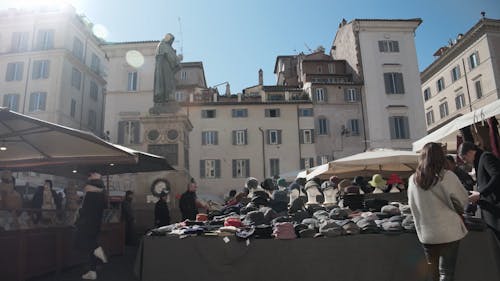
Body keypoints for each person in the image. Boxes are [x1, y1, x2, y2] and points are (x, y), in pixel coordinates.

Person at [408, 142, 468, 281]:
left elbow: (412, 206)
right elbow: (463, 200)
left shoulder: (413, 180)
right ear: (441, 157)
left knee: (432, 274)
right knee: (446, 273)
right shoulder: (447, 176)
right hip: (449, 231)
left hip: (427, 232)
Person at [458, 142, 500, 240]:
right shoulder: (480, 159)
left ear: (470, 153)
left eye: (464, 158)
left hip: (495, 208)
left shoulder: (485, 157)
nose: (465, 162)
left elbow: (497, 176)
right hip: (491, 209)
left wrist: (481, 194)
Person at [75, 172, 108, 280]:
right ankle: (92, 271)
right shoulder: (102, 195)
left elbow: (84, 211)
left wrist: (79, 211)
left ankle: (97, 249)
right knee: (91, 243)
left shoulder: (90, 195)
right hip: (96, 223)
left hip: (86, 223)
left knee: (81, 239)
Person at [153, 33, 181, 104]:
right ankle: (167, 97)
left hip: (164, 66)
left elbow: (171, 56)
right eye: (171, 40)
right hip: (165, 66)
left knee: (166, 82)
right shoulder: (164, 45)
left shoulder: (165, 46)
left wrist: (176, 59)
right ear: (168, 39)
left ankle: (166, 97)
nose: (172, 42)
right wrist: (177, 61)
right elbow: (170, 57)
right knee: (167, 81)